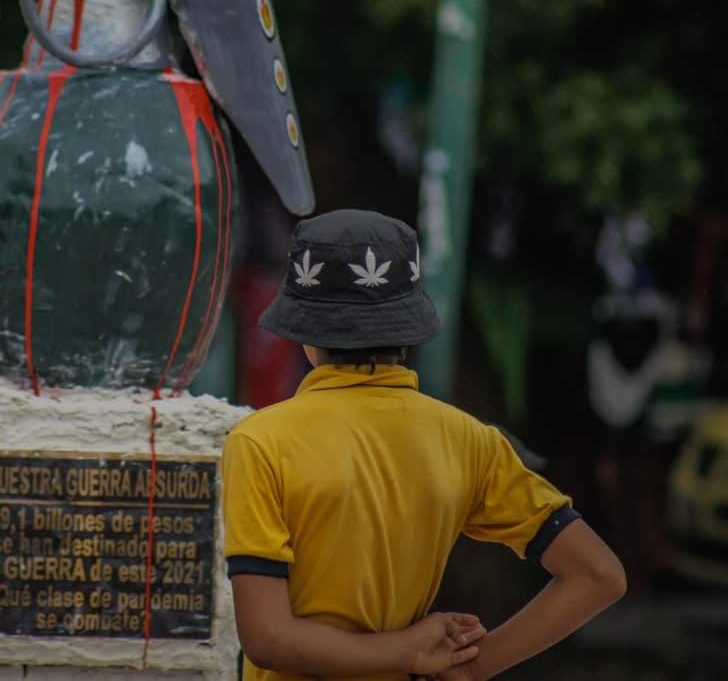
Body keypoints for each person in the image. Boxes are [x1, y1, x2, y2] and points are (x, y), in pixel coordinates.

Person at [222, 210, 626, 681]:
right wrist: (470, 667)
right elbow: (599, 576)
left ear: (306, 331)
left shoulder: (261, 442)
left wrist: (406, 652)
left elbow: (268, 639)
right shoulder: (468, 439)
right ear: (407, 322)